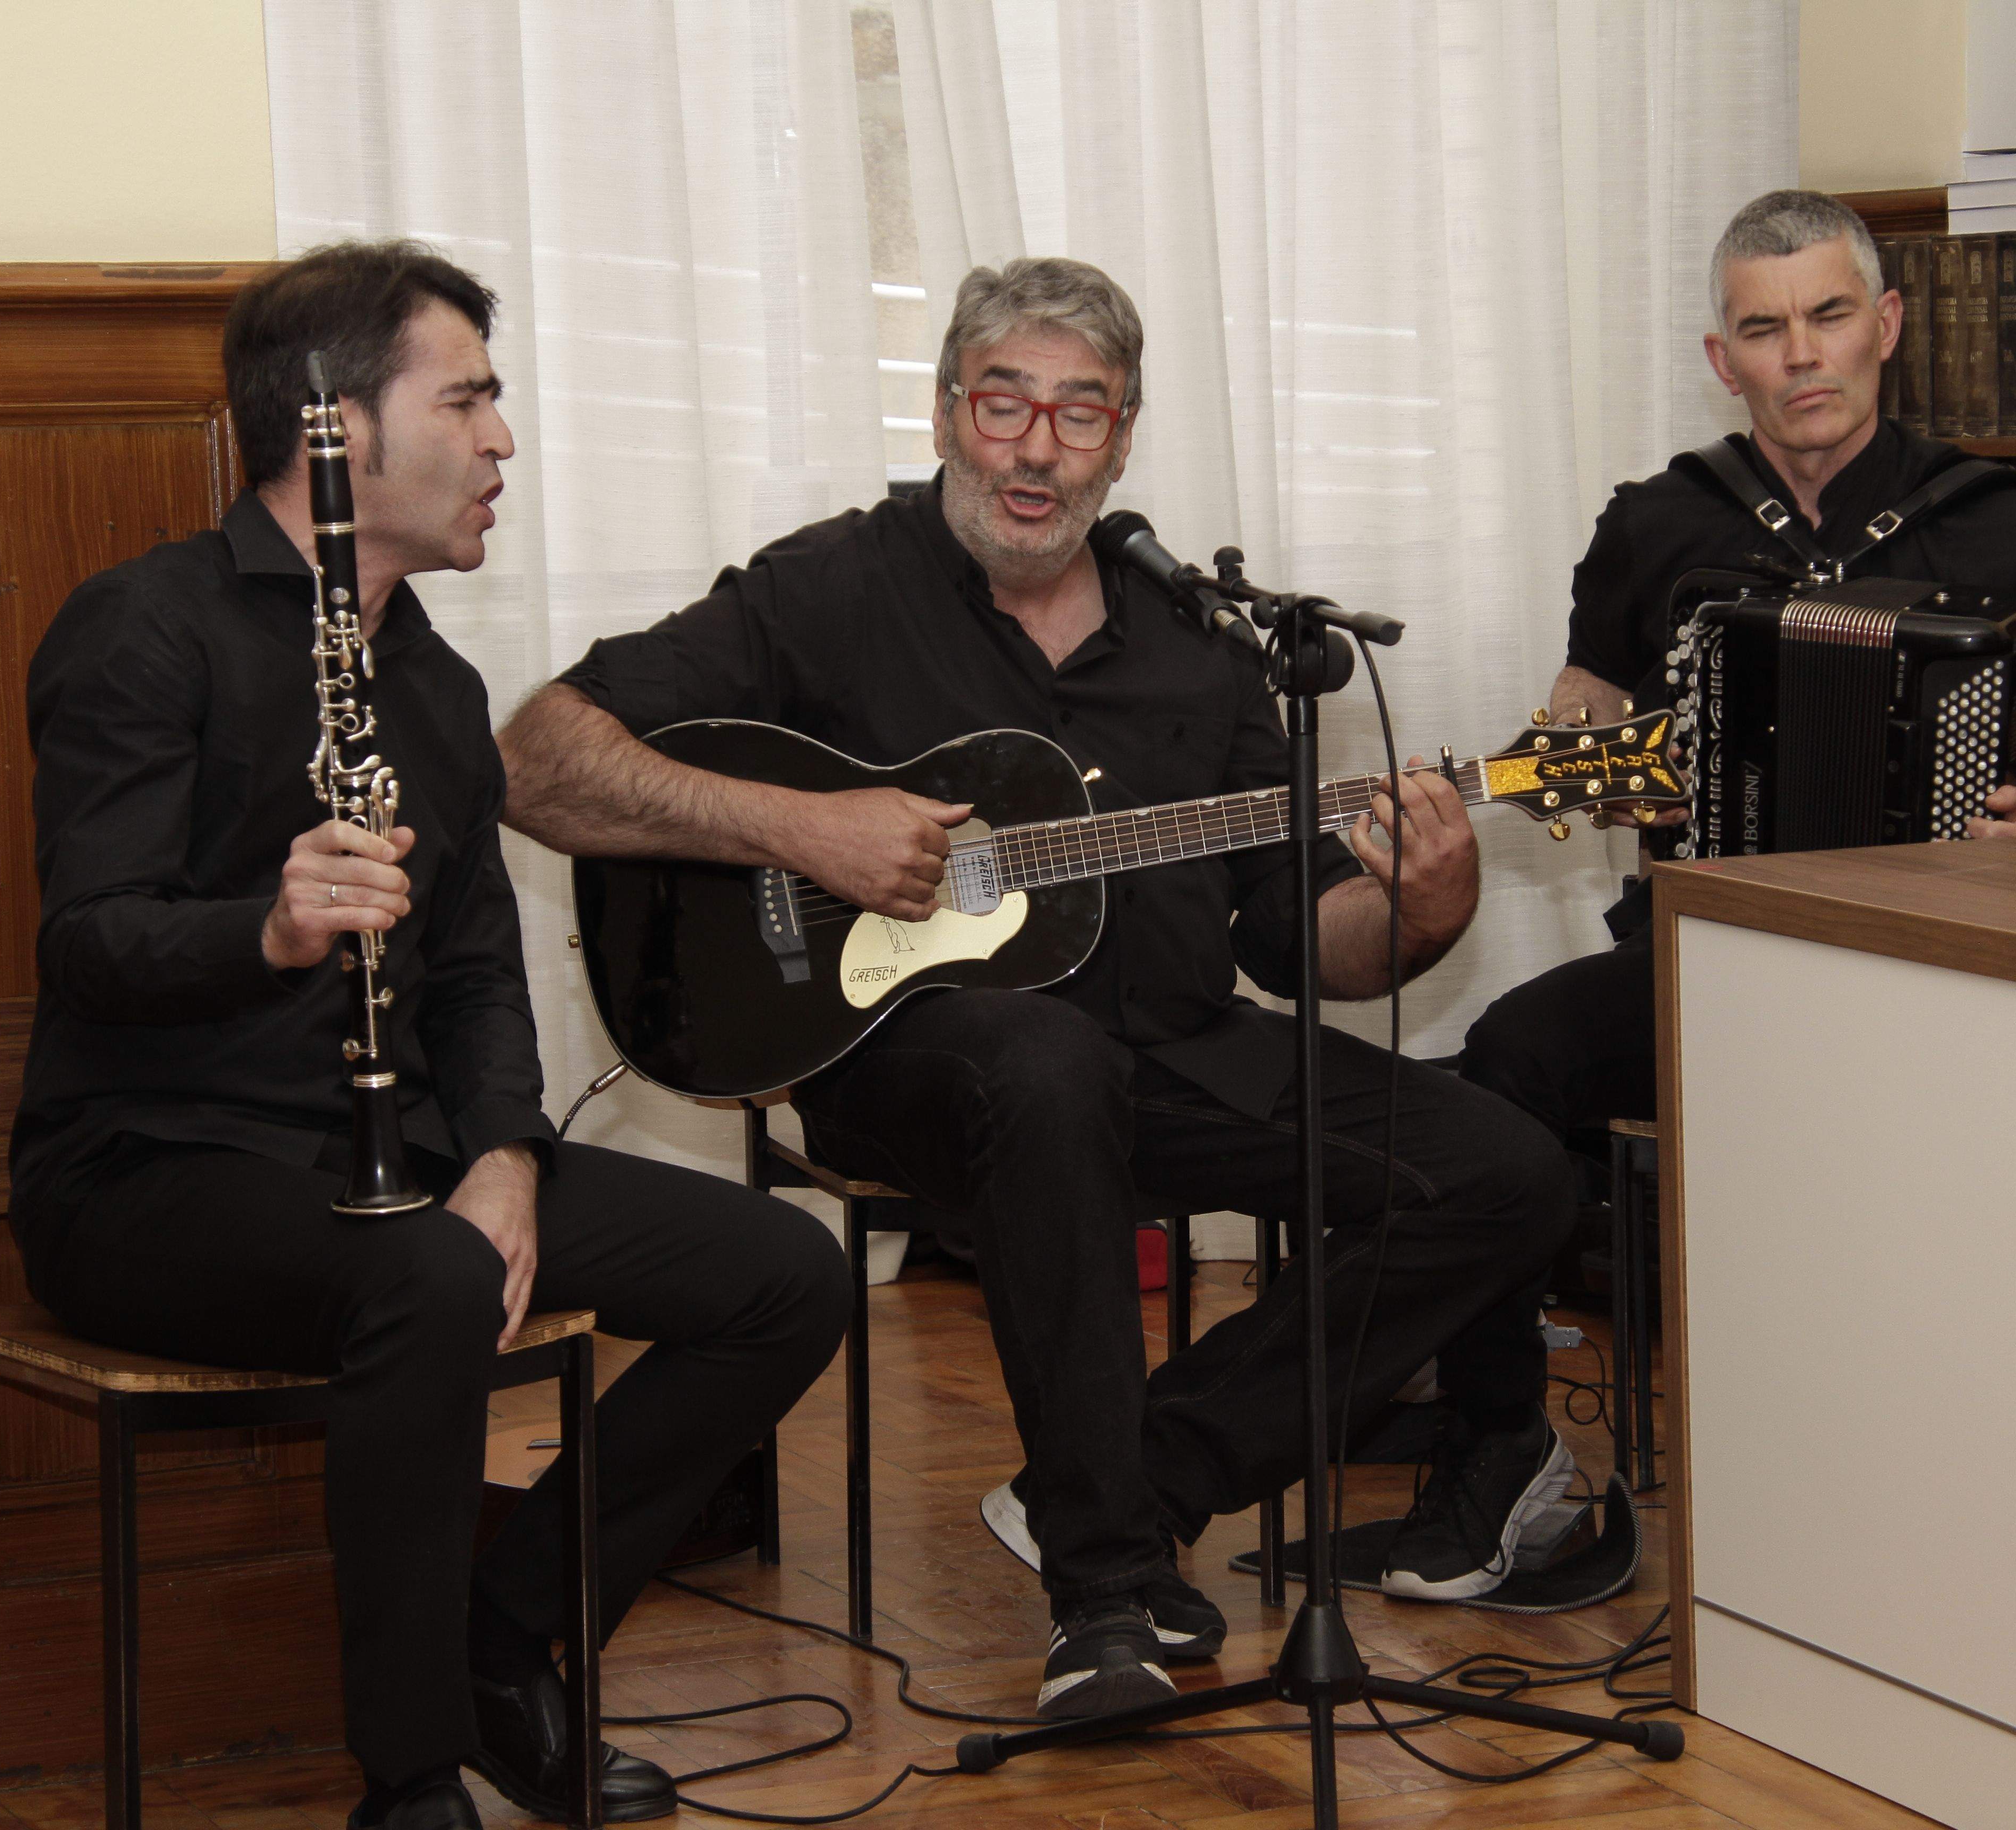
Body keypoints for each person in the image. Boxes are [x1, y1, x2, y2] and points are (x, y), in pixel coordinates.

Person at [497, 256, 1580, 1720]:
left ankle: (1148, 1473)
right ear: (950, 413)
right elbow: (540, 758)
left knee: (1507, 1173)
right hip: (912, 1070)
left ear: (1124, 438)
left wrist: (1424, 906)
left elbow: (1292, 942)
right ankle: (1111, 1590)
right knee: (1041, 1068)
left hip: (1179, 1055)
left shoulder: (1201, 642)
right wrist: (800, 827)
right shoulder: (829, 590)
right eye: (1006, 402)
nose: (1039, 446)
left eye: (1082, 412)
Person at [10, 242, 849, 1830]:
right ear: (336, 428)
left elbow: (473, 976)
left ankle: (500, 1633)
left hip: (391, 1162)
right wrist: (262, 927)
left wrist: (516, 1157)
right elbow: (88, 944)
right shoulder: (143, 631)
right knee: (432, 1274)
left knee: (783, 1274)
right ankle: (407, 1779)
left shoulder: (441, 691)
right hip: (149, 1169)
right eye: (466, 401)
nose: (501, 443)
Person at [1457, 190, 2016, 1148]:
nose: (1801, 354)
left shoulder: (2004, 528)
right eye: (1764, 329)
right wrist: (1616, 787)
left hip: (1943, 951)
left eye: (1829, 316)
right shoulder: (1653, 523)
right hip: (1715, 942)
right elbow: (1575, 740)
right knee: (1513, 1049)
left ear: (1884, 327)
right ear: (1725, 362)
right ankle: (1535, 1301)